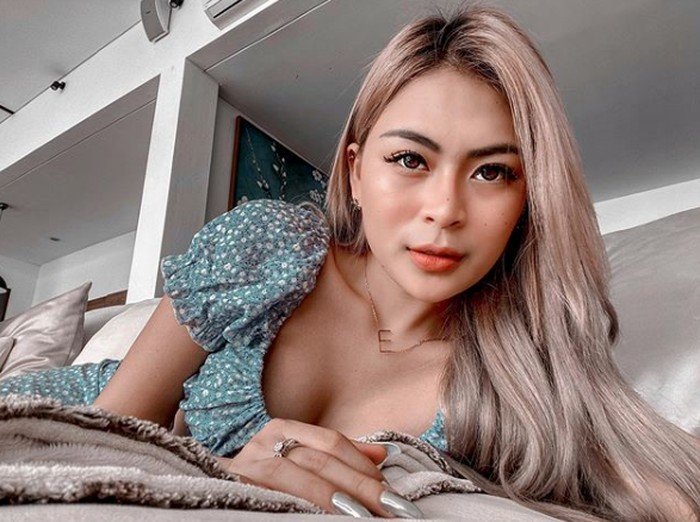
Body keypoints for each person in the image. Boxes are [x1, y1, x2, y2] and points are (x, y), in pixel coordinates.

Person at [2, 3, 699, 520]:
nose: (445, 209)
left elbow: (662, 490)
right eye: (410, 159)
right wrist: (223, 474)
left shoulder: (516, 370)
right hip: (67, 402)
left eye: (492, 172)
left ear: (529, 199)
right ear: (357, 171)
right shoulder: (266, 247)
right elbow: (105, 433)